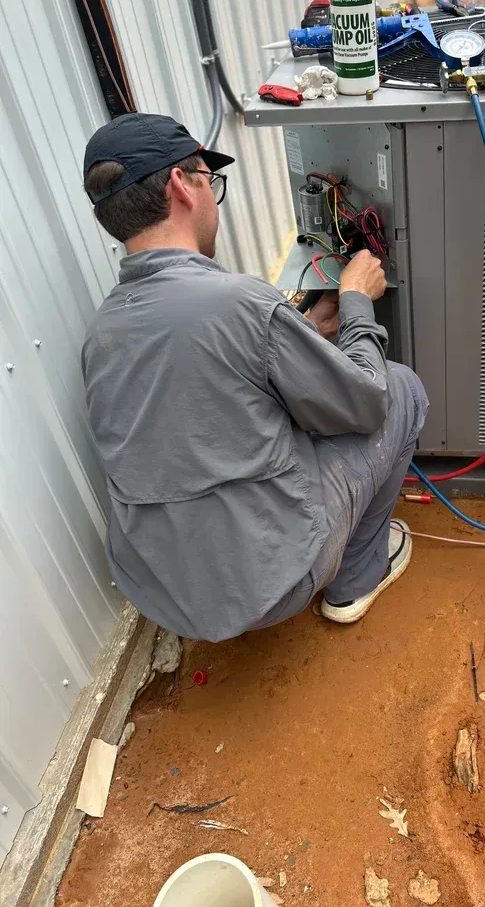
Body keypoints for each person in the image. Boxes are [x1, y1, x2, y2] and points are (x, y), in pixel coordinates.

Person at [80, 113, 428, 642]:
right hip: (272, 580)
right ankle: (354, 580)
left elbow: (218, 397)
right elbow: (366, 403)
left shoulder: (103, 329)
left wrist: (305, 330)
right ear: (182, 183)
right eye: (208, 180)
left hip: (162, 591)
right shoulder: (238, 302)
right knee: (400, 388)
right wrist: (357, 302)